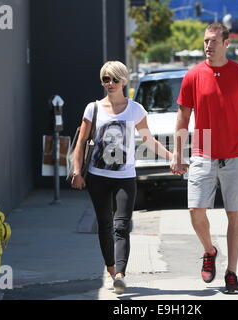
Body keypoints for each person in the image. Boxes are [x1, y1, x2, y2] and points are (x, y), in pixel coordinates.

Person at [171, 23, 238, 294]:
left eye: (213, 41)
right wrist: (178, 153)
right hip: (203, 150)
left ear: (227, 43)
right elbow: (183, 116)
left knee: (234, 216)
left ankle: (232, 273)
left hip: (236, 153)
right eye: (205, 41)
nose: (208, 46)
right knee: (195, 210)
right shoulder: (193, 75)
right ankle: (209, 250)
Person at [71, 61, 173, 294]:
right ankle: (110, 267)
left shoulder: (135, 109)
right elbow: (81, 141)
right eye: (105, 79)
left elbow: (149, 140)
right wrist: (77, 171)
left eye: (114, 79)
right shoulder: (93, 108)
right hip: (97, 176)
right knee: (104, 224)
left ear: (124, 81)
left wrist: (171, 156)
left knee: (121, 225)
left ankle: (120, 274)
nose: (110, 84)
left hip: (125, 177)